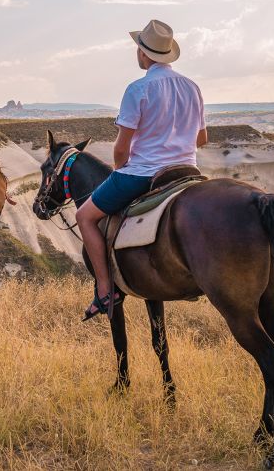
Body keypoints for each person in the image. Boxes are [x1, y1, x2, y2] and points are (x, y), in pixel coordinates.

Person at [76, 19, 208, 321]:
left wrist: (119, 170)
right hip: (188, 171)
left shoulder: (138, 89)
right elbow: (201, 138)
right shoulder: (192, 87)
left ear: (144, 54)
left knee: (84, 216)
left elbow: (121, 149)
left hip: (144, 172)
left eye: (138, 48)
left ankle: (106, 290)